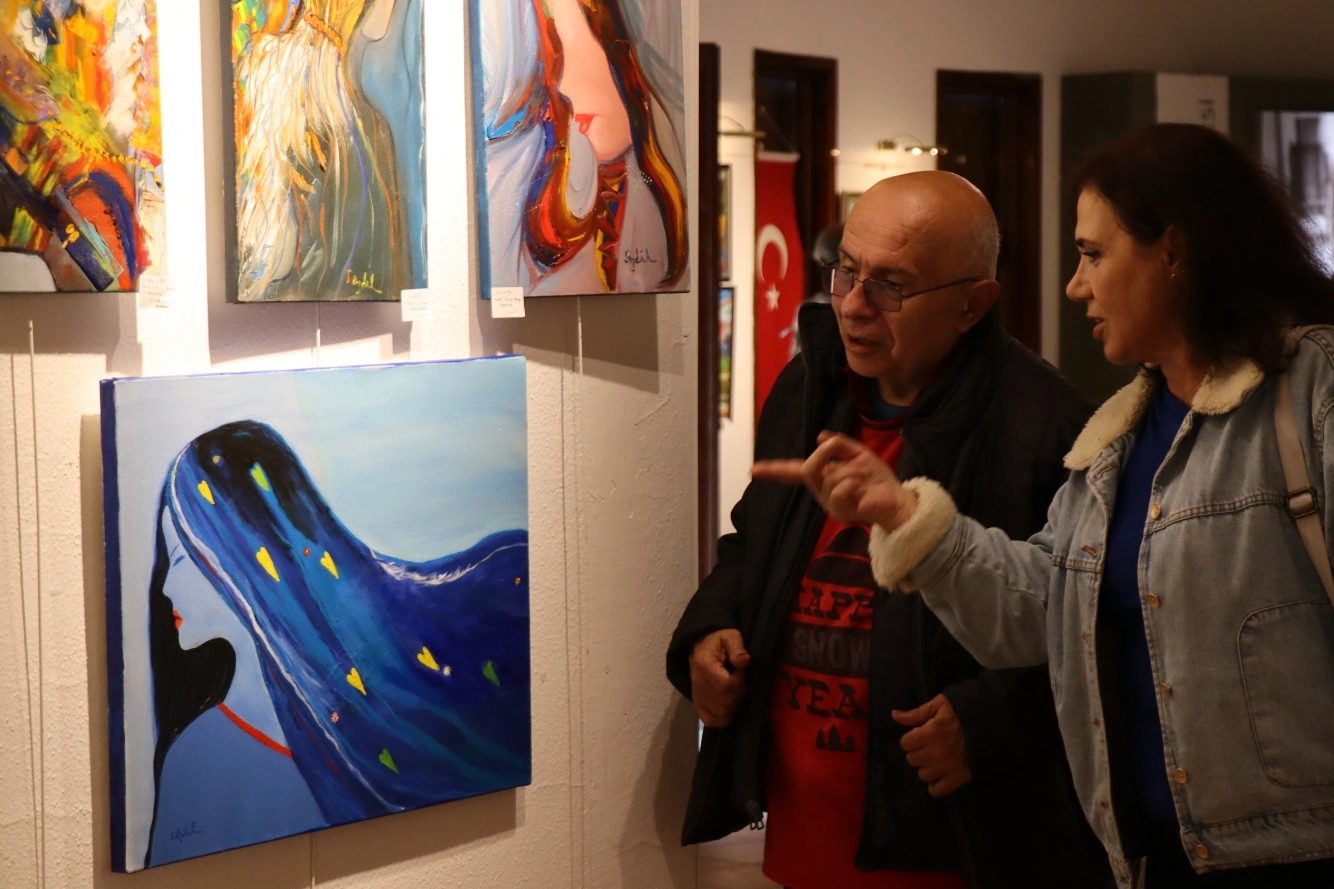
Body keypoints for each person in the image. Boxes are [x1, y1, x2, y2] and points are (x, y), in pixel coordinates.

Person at [754, 123, 1334, 888]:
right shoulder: (1118, 439)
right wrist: (902, 514)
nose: (1075, 286)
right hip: (1156, 855)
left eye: (1094, 253)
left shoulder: (1310, 390)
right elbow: (1043, 608)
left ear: (1173, 251)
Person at [668, 170, 1114, 888]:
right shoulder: (811, 384)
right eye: (846, 270)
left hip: (957, 849)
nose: (852, 304)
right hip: (803, 839)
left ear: (973, 304)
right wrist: (710, 625)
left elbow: (1097, 629)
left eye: (890, 286)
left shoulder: (1050, 429)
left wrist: (992, 721)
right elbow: (755, 542)